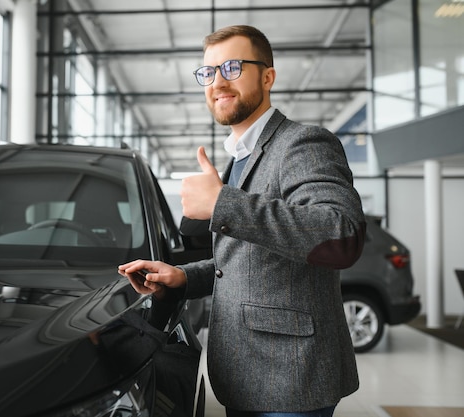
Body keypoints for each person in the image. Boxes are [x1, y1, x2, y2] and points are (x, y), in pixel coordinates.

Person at [118, 25, 366, 417]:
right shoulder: (240, 158)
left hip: (291, 377)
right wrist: (183, 277)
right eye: (208, 72)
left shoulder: (301, 143)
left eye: (232, 67)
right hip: (247, 373)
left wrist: (223, 204)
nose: (218, 82)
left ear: (267, 76)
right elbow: (247, 260)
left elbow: (341, 233)